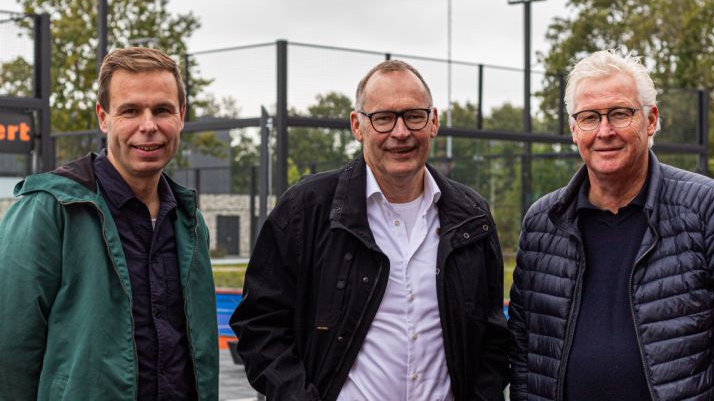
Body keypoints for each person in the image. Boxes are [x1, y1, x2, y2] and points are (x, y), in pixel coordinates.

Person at [230, 59, 510, 400]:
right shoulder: (306, 210)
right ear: (357, 125)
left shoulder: (472, 216)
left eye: (414, 115)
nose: (401, 132)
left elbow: (492, 338)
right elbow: (260, 326)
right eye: (383, 118)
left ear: (433, 121)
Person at [507, 49, 714, 400]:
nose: (605, 131)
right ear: (573, 129)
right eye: (589, 117)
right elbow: (525, 349)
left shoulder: (712, 210)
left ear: (650, 120)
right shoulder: (543, 224)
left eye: (619, 113)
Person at [0, 47, 218, 400]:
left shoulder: (188, 220)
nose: (148, 126)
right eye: (130, 110)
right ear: (104, 117)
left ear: (181, 115)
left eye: (162, 109)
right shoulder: (49, 209)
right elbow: (9, 349)